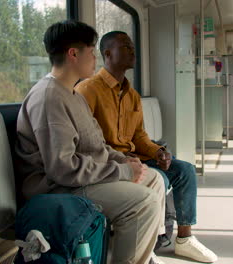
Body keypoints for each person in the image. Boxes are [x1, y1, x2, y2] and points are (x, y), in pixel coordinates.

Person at [15, 21, 166, 264]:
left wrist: (123, 159)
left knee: (154, 179)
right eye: (92, 52)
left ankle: (138, 254)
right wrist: (124, 171)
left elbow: (96, 144)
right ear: (73, 54)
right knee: (144, 203)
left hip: (80, 178)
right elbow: (63, 169)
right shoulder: (49, 97)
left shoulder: (72, 94)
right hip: (58, 188)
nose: (95, 58)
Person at [76, 31, 218, 263]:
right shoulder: (88, 90)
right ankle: (147, 243)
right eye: (125, 45)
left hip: (135, 156)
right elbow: (87, 142)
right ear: (108, 53)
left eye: (132, 45)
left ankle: (184, 238)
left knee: (185, 170)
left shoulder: (131, 95)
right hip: (110, 162)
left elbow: (139, 136)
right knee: (157, 179)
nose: (133, 49)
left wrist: (157, 152)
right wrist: (123, 160)